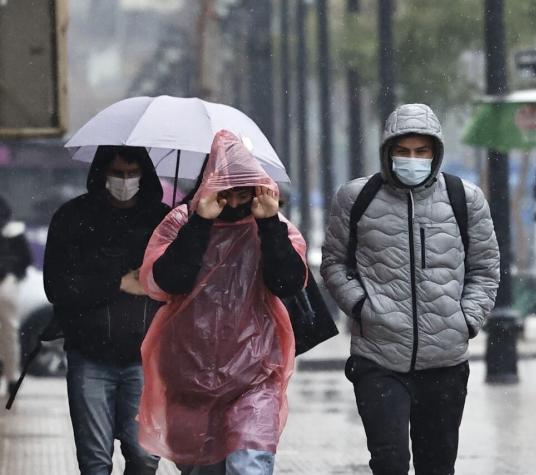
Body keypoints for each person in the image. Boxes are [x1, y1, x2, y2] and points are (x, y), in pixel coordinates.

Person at [320, 103, 500, 475]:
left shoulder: (464, 199)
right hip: (379, 359)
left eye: (422, 151)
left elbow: (485, 269)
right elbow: (335, 263)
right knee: (390, 463)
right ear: (388, 152)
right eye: (403, 151)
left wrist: (465, 320)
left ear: (436, 153)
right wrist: (361, 307)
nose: (412, 159)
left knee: (437, 466)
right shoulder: (356, 198)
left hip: (446, 362)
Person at [137, 130, 307, 474]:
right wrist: (200, 222)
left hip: (255, 374)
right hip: (189, 373)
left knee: (250, 464)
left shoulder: (275, 226)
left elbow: (288, 282)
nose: (233, 199)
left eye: (243, 188)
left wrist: (269, 224)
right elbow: (165, 281)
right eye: (227, 187)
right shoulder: (182, 222)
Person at [43, 145, 169, 474]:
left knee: (144, 457)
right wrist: (116, 283)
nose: (124, 181)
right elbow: (58, 287)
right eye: (117, 174)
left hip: (143, 358)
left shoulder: (161, 221)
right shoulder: (73, 219)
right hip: (89, 356)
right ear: (103, 174)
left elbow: (179, 276)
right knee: (95, 461)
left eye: (131, 174)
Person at [0, 195, 32, 395]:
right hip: (8, 284)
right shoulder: (14, 231)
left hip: (7, 284)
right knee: (10, 332)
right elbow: (25, 259)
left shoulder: (13, 232)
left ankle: (11, 373)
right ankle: (12, 376)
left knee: (9, 332)